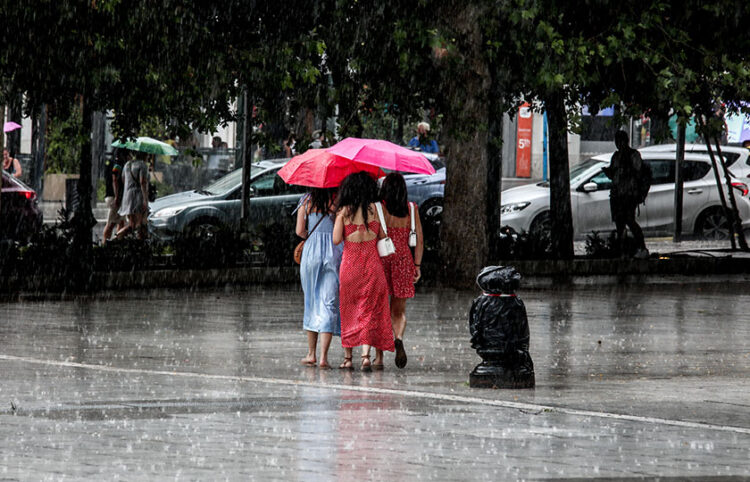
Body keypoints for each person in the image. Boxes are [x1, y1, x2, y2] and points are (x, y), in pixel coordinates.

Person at [333, 172, 395, 371]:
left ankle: (348, 357)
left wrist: (340, 217)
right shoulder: (376, 211)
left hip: (350, 267)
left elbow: (336, 240)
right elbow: (383, 236)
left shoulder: (344, 212)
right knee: (369, 310)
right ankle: (366, 356)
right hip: (372, 267)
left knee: (349, 310)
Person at [373, 173, 424, 369]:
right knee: (399, 311)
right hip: (404, 260)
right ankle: (399, 337)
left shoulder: (380, 210)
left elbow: (373, 236)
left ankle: (378, 358)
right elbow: (419, 238)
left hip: (383, 259)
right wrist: (417, 265)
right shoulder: (412, 209)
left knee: (380, 311)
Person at [295, 187, 343, 369]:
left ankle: (311, 353)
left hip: (311, 253)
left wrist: (312, 237)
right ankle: (324, 356)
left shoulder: (306, 201)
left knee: (311, 301)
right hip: (334, 252)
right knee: (329, 303)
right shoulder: (336, 202)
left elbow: (299, 230)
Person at [602, 130, 648, 258]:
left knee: (630, 220)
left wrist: (625, 171)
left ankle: (641, 247)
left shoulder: (633, 155)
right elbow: (613, 174)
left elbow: (639, 173)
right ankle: (623, 250)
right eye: (617, 142)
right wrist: (609, 172)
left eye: (620, 141)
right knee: (619, 223)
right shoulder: (616, 156)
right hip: (617, 194)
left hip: (629, 194)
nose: (618, 144)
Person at [117, 152, 150, 240]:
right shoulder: (143, 165)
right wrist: (145, 199)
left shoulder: (127, 164)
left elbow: (123, 179)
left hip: (127, 197)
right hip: (138, 197)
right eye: (148, 155)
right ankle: (140, 244)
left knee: (132, 224)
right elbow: (143, 182)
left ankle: (116, 237)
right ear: (145, 155)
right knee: (140, 224)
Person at [102, 153, 126, 244]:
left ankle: (119, 243)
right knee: (111, 223)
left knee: (121, 222)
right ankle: (104, 245)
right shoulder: (117, 164)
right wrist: (116, 197)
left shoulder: (112, 163)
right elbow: (114, 180)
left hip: (115, 197)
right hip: (114, 197)